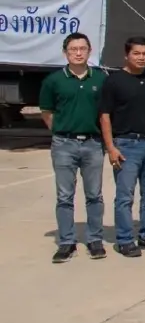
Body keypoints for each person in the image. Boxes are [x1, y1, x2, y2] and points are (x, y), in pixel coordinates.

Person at [99, 36, 145, 257]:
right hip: (126, 145)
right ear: (126, 55)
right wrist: (110, 147)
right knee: (125, 196)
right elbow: (104, 116)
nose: (141, 58)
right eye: (136, 54)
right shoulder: (114, 81)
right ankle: (124, 239)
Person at [40, 32, 106, 263]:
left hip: (93, 144)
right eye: (73, 50)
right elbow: (47, 112)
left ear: (89, 51)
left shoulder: (100, 79)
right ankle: (67, 242)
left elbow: (105, 114)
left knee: (94, 195)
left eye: (82, 49)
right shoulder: (54, 81)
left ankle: (95, 239)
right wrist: (61, 132)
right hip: (64, 144)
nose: (78, 53)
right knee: (65, 196)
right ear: (65, 53)